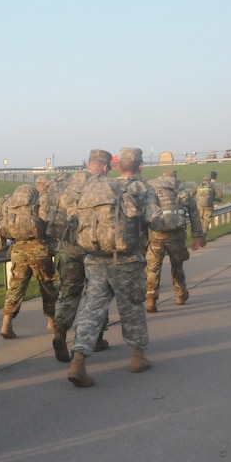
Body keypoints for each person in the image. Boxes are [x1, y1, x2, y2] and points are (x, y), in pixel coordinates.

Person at [67, 147, 160, 388]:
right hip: (127, 260)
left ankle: (78, 361)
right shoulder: (141, 188)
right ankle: (138, 357)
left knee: (91, 309)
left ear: (118, 166)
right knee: (132, 307)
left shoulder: (96, 188)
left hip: (95, 258)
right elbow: (155, 219)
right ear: (139, 166)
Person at [45, 151, 112, 362]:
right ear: (102, 166)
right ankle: (97, 337)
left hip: (66, 245)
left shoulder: (65, 181)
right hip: (93, 247)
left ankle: (60, 333)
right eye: (108, 166)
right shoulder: (101, 184)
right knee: (97, 295)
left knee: (68, 293)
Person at [0, 175, 57, 339]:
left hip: (18, 249)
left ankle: (6, 323)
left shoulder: (12, 207)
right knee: (47, 285)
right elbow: (48, 226)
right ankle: (52, 321)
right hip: (39, 249)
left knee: (16, 287)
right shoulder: (38, 205)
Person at [145, 169, 205, 313]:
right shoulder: (179, 189)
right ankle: (180, 294)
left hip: (156, 234)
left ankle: (151, 299)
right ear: (174, 177)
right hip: (176, 234)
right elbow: (193, 211)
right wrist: (197, 234)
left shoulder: (151, 189)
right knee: (177, 266)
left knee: (153, 268)